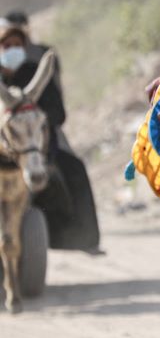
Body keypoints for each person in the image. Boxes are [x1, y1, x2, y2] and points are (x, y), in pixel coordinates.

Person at [0, 18, 102, 253]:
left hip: (38, 145)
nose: (11, 50)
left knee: (74, 169)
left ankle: (84, 238)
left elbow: (58, 112)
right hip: (4, 149)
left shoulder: (35, 73)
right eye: (6, 46)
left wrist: (35, 119)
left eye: (17, 45)